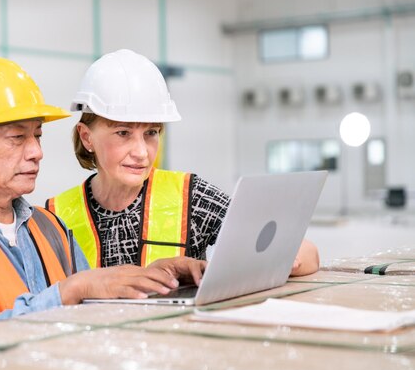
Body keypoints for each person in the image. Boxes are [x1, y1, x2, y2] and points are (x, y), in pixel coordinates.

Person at [0, 57, 205, 333]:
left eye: (37, 135)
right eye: (17, 138)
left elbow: (93, 313)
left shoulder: (49, 228)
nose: (37, 152)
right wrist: (69, 291)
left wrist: (152, 281)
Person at [46, 49, 319, 276]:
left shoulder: (192, 196)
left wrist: (285, 257)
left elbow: (308, 254)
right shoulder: (54, 216)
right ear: (87, 137)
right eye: (123, 133)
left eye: (151, 133)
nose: (141, 152)